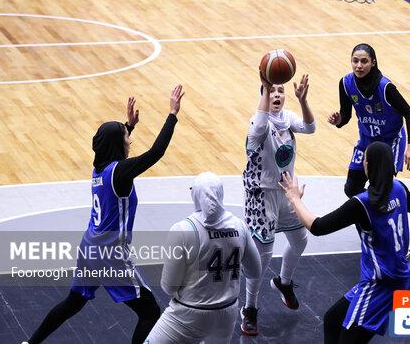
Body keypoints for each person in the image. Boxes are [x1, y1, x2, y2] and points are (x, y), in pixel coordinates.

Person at [24, 85, 185, 344]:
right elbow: (156, 153)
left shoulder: (99, 169)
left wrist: (128, 126)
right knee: (150, 312)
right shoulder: (120, 173)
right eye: (126, 137)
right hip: (111, 256)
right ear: (117, 145)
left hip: (89, 249)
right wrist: (172, 114)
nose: (130, 141)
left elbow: (112, 147)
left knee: (73, 302)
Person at [279, 141, 410, 343]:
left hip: (379, 285)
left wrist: (295, 199)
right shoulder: (399, 188)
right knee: (333, 320)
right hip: (398, 277)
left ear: (368, 165)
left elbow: (318, 227)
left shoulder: (362, 203)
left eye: (365, 159)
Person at [240, 73, 316, 336]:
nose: (276, 95)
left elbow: (310, 128)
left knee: (300, 241)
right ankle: (249, 308)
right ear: (263, 95)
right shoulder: (257, 123)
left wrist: (303, 100)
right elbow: (261, 124)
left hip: (287, 192)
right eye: (271, 91)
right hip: (261, 195)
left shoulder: (287, 118)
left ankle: (284, 282)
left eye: (280, 91)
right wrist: (265, 86)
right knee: (260, 260)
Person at [146, 172, 262, 343]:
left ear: (195, 195)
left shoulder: (183, 229)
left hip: (188, 314)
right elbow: (255, 272)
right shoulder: (239, 225)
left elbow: (169, 287)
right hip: (227, 313)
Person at [328, 43, 410, 198]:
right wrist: (338, 120)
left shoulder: (386, 87)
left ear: (373, 63)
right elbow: (346, 115)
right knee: (351, 189)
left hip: (390, 142)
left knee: (380, 189)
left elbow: (409, 114)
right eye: (355, 61)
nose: (359, 66)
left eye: (364, 61)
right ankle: (384, 200)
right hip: (366, 141)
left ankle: (399, 198)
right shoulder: (346, 83)